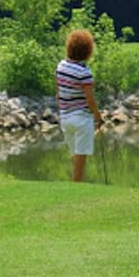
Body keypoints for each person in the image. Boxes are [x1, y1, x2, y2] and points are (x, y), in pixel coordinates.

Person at [56, 29, 104, 182]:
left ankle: (75, 186)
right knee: (80, 161)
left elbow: (58, 92)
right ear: (87, 51)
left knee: (75, 157)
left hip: (65, 117)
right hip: (81, 119)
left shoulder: (61, 66)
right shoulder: (84, 72)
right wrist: (98, 117)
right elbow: (89, 99)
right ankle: (75, 191)